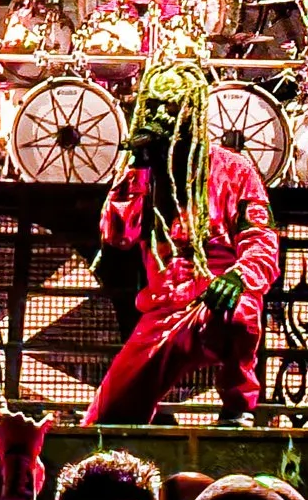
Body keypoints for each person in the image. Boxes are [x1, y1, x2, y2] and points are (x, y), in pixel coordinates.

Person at [85, 64, 280, 427]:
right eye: (154, 105)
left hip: (214, 298)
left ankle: (238, 406)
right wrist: (136, 171)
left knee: (240, 310)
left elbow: (262, 242)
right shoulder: (142, 174)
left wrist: (238, 277)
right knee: (109, 416)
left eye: (171, 106)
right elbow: (117, 237)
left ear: (193, 111)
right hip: (163, 307)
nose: (161, 115)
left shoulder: (233, 170)